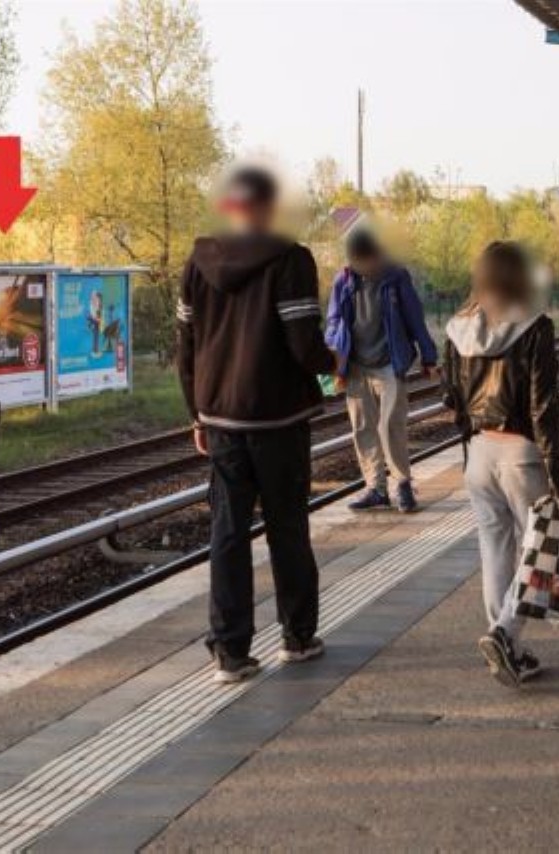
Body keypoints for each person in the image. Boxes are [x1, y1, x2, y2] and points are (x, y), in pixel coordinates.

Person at [177, 166, 335, 683]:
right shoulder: (290, 259)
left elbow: (186, 346)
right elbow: (303, 343)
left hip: (221, 419)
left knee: (227, 533)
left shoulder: (198, 263)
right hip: (279, 418)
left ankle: (230, 651)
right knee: (288, 528)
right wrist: (334, 363)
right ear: (269, 207)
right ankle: (298, 636)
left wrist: (196, 413)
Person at [441, 241, 559, 688]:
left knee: (495, 550)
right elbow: (543, 407)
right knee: (544, 548)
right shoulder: (536, 326)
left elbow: (451, 399)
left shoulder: (458, 328)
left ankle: (508, 650)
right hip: (521, 455)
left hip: (479, 454)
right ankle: (504, 634)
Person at [326, 230, 439, 513]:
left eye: (367, 260)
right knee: (363, 427)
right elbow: (334, 320)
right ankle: (375, 488)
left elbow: (415, 317)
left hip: (390, 361)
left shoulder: (396, 278)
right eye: (357, 261)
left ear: (377, 255)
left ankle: (402, 484)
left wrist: (428, 356)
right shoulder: (344, 280)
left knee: (390, 425)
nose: (364, 266)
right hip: (355, 364)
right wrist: (333, 359)